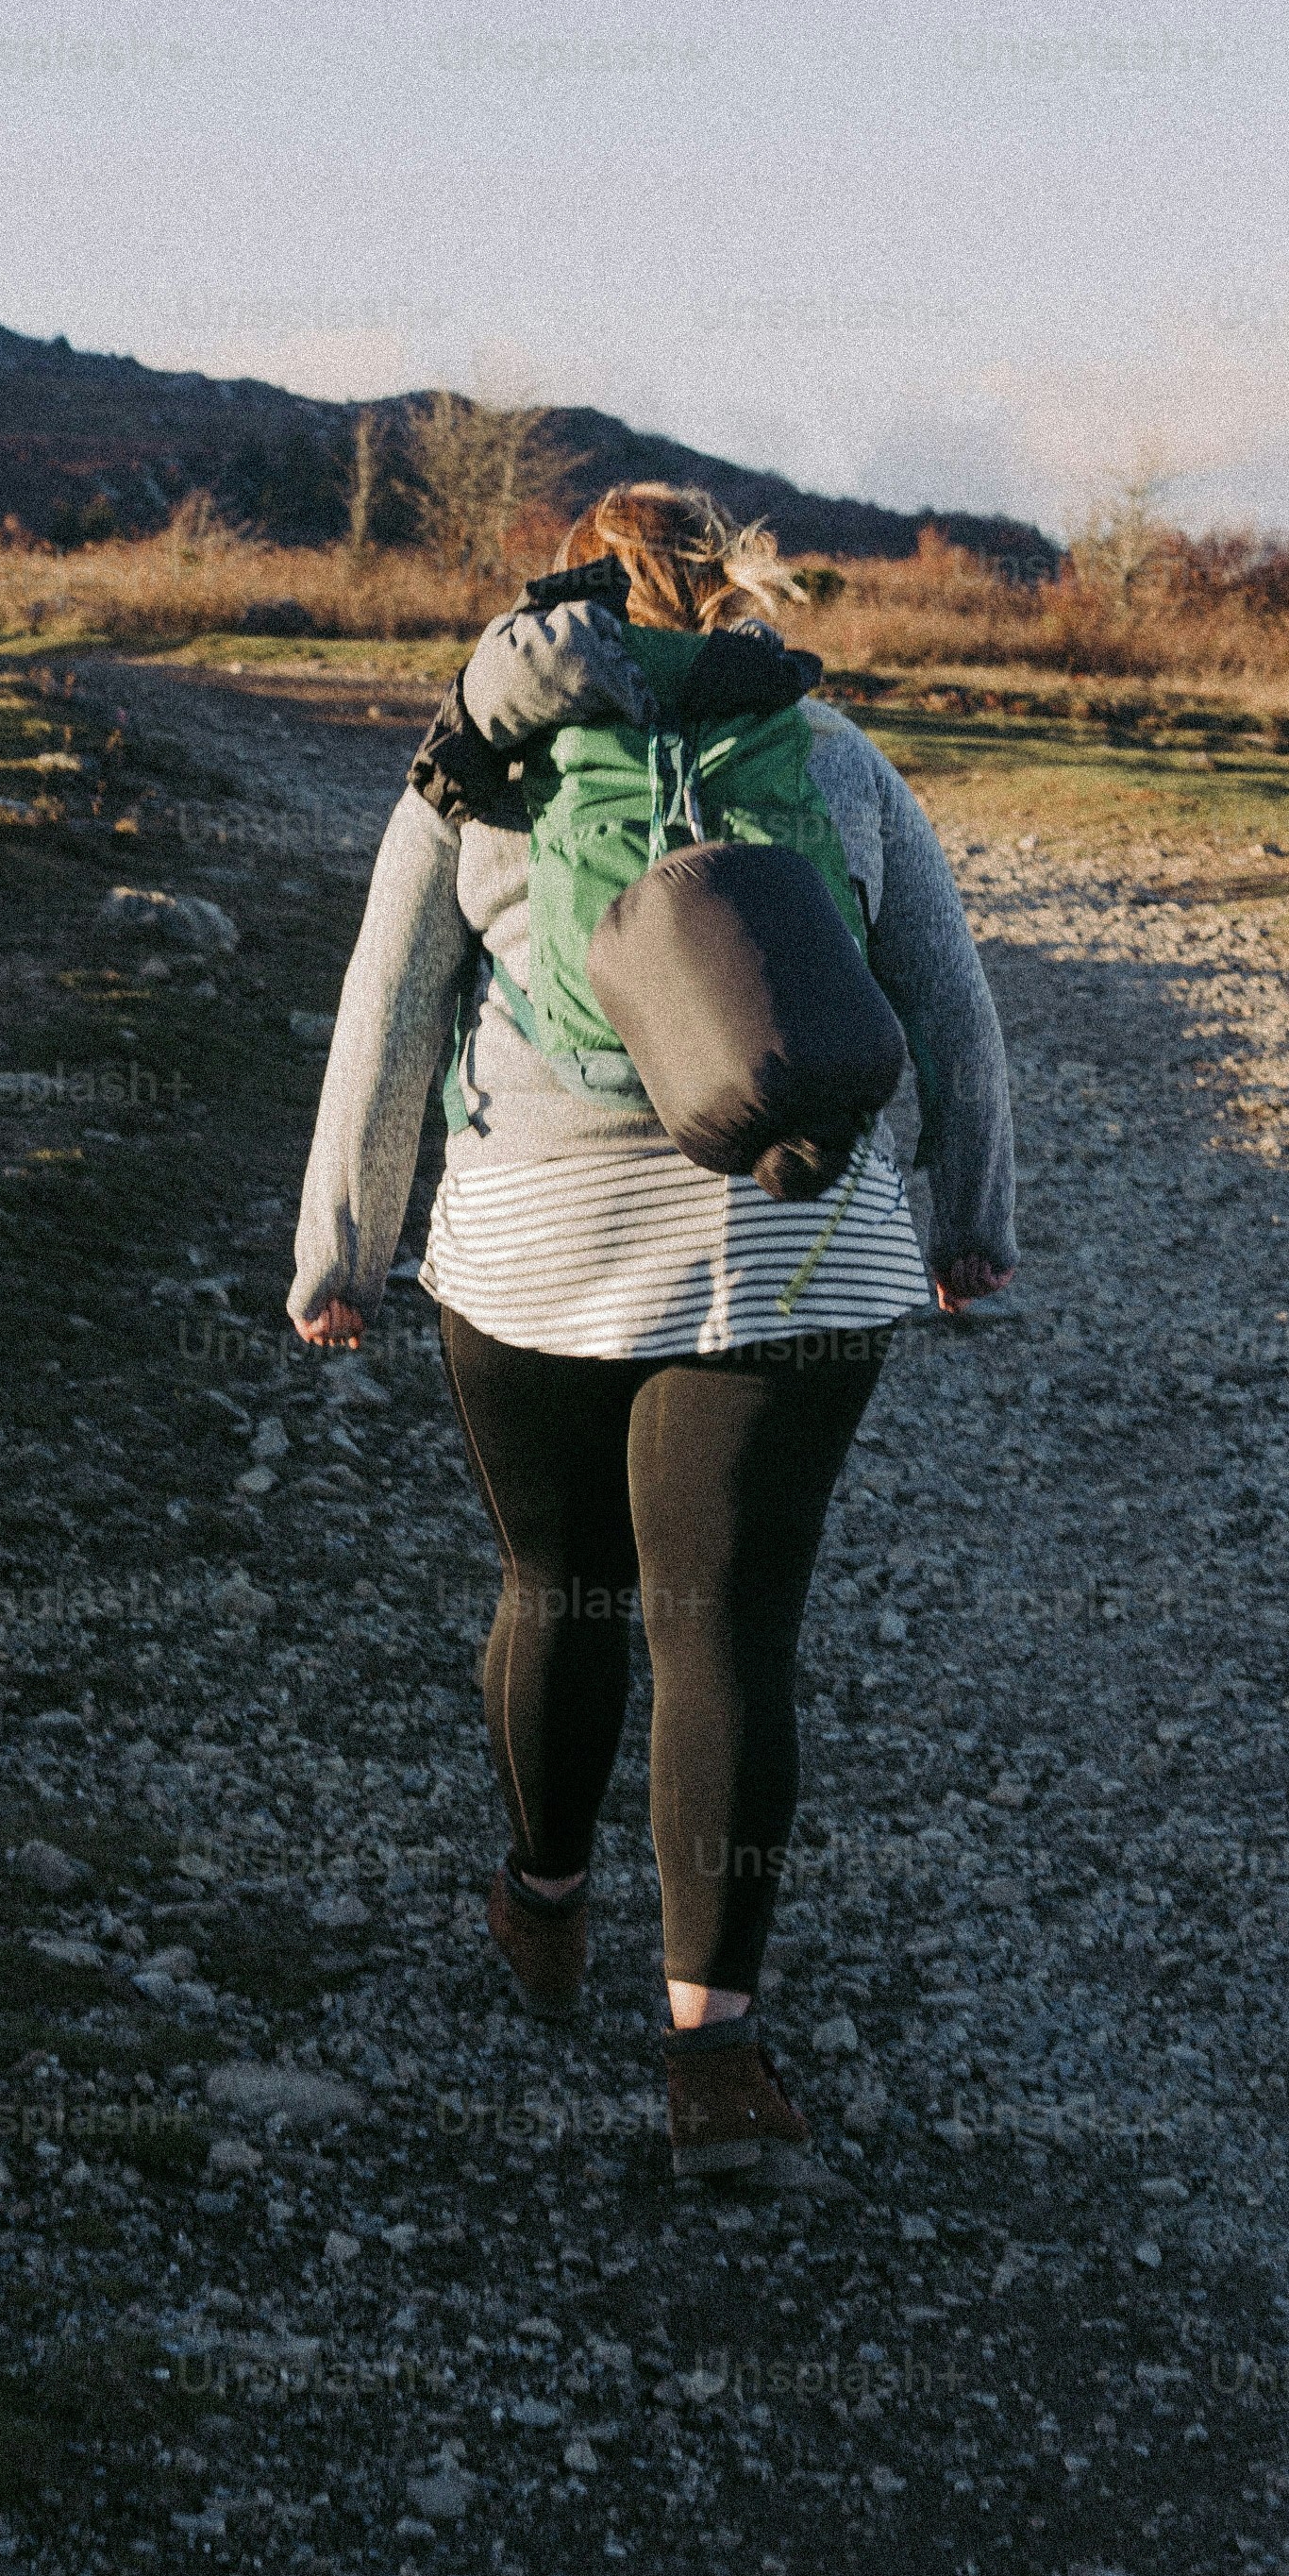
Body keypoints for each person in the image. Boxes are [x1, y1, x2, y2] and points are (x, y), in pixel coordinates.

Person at [287, 482, 1017, 2180]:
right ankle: (716, 2060)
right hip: (800, 1236)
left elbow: (385, 1016)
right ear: (734, 591)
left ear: (559, 603)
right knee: (729, 1633)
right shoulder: (828, 750)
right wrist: (972, 1219)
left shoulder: (478, 770)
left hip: (536, 1249)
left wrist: (344, 1249)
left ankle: (545, 1896)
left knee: (561, 1586)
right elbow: (947, 995)